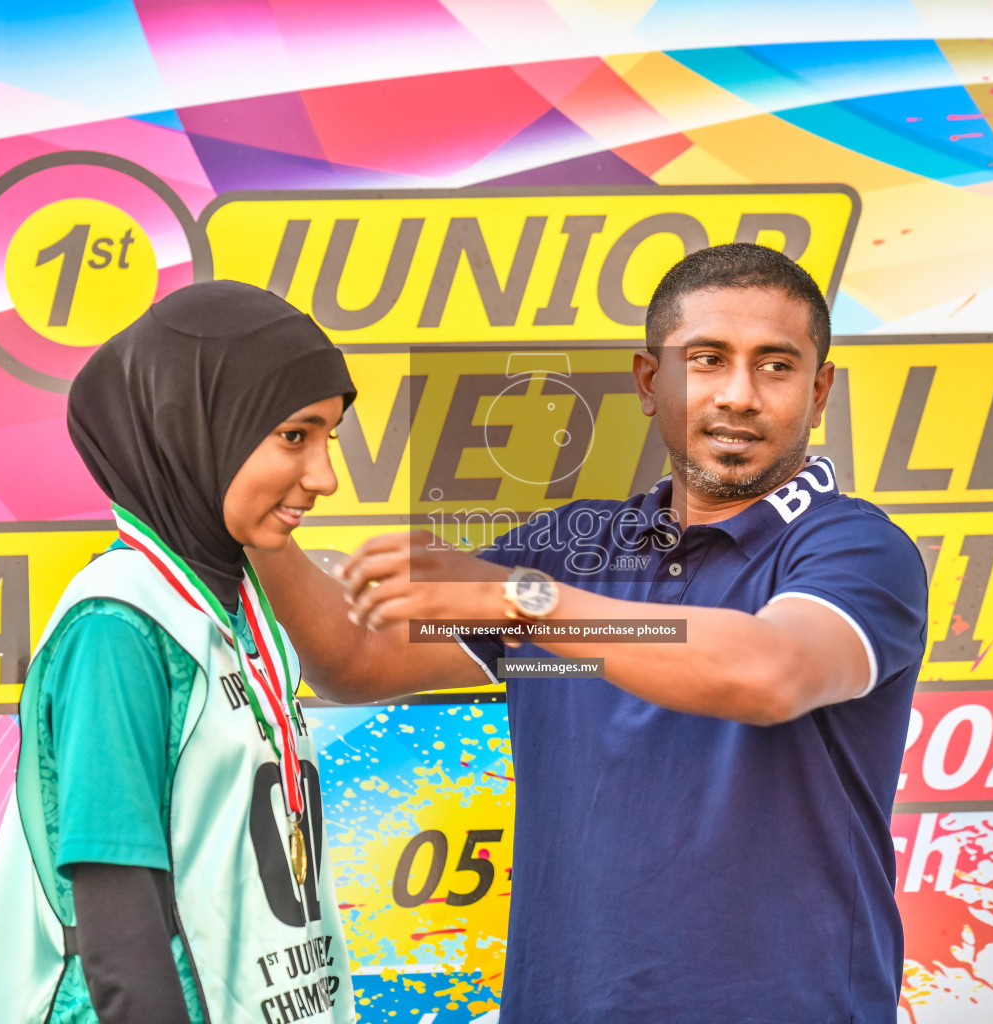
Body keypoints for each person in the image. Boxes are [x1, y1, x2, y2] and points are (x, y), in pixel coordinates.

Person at [251, 242, 929, 1023]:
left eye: (776, 366)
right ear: (650, 382)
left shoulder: (854, 545)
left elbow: (771, 672)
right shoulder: (570, 547)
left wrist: (524, 600)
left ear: (819, 391)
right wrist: (257, 520)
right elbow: (356, 661)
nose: (740, 395)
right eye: (706, 359)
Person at [0, 281, 358, 1024]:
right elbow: (120, 936)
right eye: (296, 435)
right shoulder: (120, 626)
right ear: (195, 427)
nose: (324, 476)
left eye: (331, 438)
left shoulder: (241, 610)